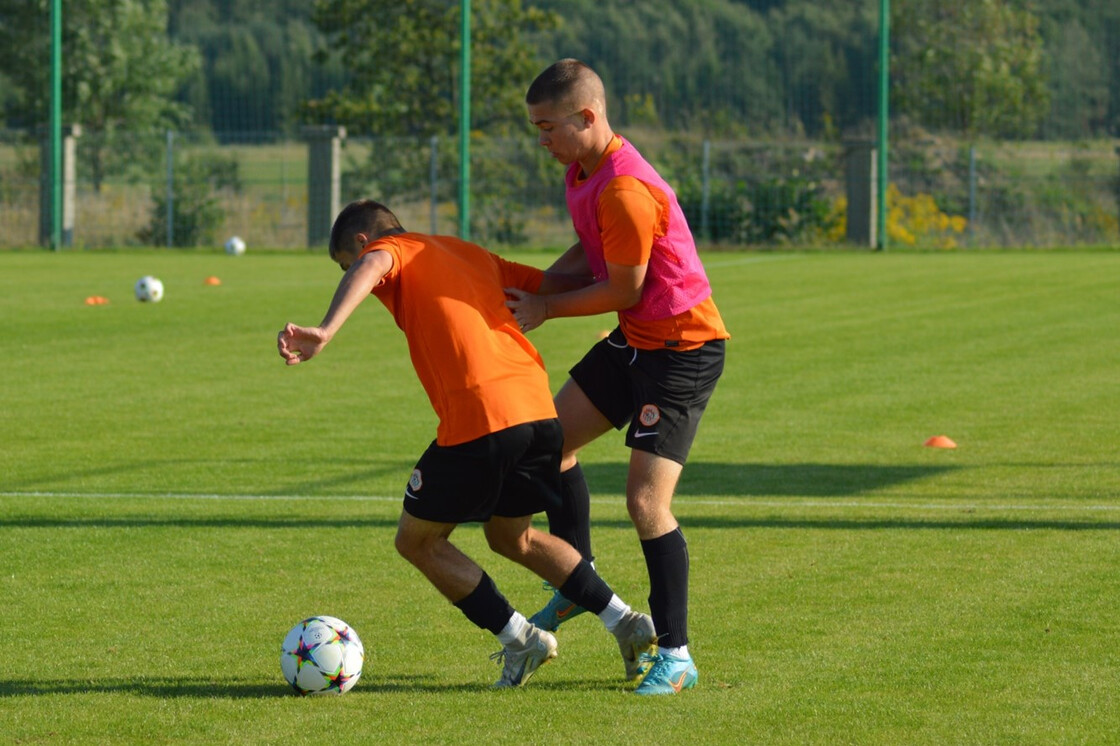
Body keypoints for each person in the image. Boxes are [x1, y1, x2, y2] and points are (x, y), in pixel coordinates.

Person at [277, 199, 656, 689]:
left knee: (417, 541)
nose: (359, 277)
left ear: (362, 242)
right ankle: (627, 622)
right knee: (510, 537)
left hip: (482, 417)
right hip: (538, 410)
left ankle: (522, 640)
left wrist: (326, 330)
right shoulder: (469, 253)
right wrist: (619, 252)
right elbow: (554, 284)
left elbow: (374, 264)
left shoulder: (390, 249)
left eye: (346, 266)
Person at [505, 59, 730, 695]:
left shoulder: (625, 188)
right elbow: (592, 249)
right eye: (535, 128)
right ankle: (580, 585)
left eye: (548, 127)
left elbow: (624, 285)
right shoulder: (583, 170)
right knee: (551, 445)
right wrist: (541, 282)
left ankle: (677, 653)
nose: (541, 140)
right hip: (637, 342)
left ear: (587, 116)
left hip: (682, 352)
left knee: (646, 503)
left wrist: (546, 306)